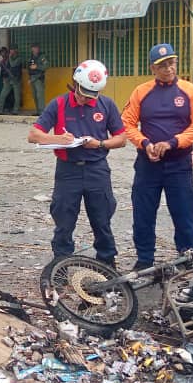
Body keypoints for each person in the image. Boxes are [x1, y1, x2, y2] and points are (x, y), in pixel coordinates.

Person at [28, 60, 127, 265]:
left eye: (90, 96)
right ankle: (61, 266)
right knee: (64, 221)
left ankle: (107, 265)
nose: (84, 99)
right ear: (75, 84)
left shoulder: (106, 105)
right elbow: (34, 135)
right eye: (81, 94)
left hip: (97, 169)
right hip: (68, 171)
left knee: (102, 220)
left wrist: (99, 143)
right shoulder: (59, 104)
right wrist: (58, 140)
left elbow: (121, 138)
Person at [122, 43, 193, 269]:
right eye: (162, 65)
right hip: (147, 164)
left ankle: (187, 257)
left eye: (171, 63)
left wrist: (173, 142)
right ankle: (144, 260)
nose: (168, 69)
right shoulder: (141, 92)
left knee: (184, 211)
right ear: (153, 68)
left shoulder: (190, 91)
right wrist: (144, 143)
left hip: (179, 163)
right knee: (143, 212)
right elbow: (127, 124)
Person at [0, 45, 23, 114]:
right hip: (7, 80)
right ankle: (0, 110)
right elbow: (3, 72)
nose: (3, 54)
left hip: (16, 79)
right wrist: (4, 78)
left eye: (4, 52)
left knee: (17, 96)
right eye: (1, 53)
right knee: (2, 95)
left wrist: (10, 57)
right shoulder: (2, 62)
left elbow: (13, 65)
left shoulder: (15, 58)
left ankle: (15, 110)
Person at [27, 43, 48, 112]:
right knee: (35, 96)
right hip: (32, 79)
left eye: (37, 48)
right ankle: (38, 111)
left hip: (39, 78)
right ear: (32, 49)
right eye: (34, 48)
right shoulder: (31, 57)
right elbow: (29, 68)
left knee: (40, 96)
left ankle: (42, 112)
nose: (36, 49)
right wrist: (29, 78)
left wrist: (37, 66)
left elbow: (46, 66)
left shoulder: (42, 57)